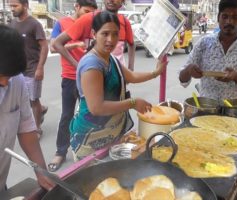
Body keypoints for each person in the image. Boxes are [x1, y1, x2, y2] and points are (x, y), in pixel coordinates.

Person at [70, 11, 167, 160]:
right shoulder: (92, 65)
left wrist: (156, 72)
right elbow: (96, 108)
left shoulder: (111, 59)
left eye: (115, 34)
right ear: (94, 34)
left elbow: (132, 76)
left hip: (110, 135)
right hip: (90, 139)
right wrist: (133, 103)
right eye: (105, 34)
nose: (111, 39)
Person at [0, 25, 54, 192]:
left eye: (8, 77)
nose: (4, 83)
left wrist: (41, 171)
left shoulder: (16, 81)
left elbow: (25, 128)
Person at [48, 0, 97, 172]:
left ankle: (88, 151)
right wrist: (75, 46)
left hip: (90, 77)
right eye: (86, 11)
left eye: (91, 12)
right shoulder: (62, 23)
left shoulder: (92, 24)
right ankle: (60, 151)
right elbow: (53, 47)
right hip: (70, 77)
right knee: (67, 115)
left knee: (91, 115)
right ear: (76, 7)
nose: (88, 15)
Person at [179, 0, 237, 101]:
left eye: (235, 17)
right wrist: (188, 70)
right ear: (218, 18)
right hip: (207, 109)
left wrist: (236, 77)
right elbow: (182, 79)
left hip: (236, 111)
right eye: (225, 16)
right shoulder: (204, 43)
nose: (229, 21)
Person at [53, 0, 136, 71]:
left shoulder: (125, 22)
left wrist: (131, 68)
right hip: (92, 76)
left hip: (116, 78)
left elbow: (132, 44)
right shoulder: (88, 18)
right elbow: (57, 43)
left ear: (123, 1)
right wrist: (77, 66)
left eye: (115, 34)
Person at [9, 0, 49, 137]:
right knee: (20, 99)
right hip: (16, 70)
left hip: (32, 69)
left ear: (25, 5)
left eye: (15, 6)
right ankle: (40, 110)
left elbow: (44, 46)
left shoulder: (34, 24)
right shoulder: (13, 24)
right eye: (10, 6)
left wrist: (40, 68)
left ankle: (37, 128)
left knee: (33, 100)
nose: (12, 8)